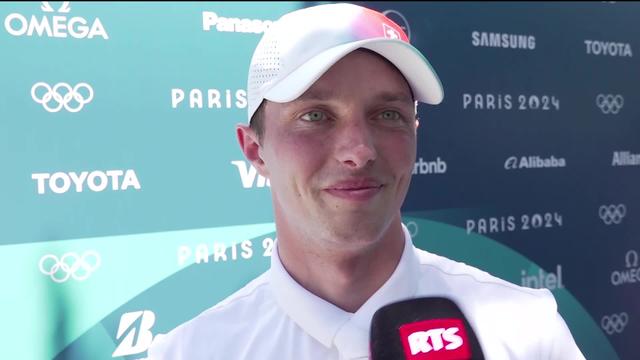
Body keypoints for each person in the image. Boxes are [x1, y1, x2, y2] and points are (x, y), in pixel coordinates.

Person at [147, 3, 585, 359]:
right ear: (255, 150)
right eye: (314, 116)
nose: (359, 150)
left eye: (387, 114)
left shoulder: (526, 334)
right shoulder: (189, 351)